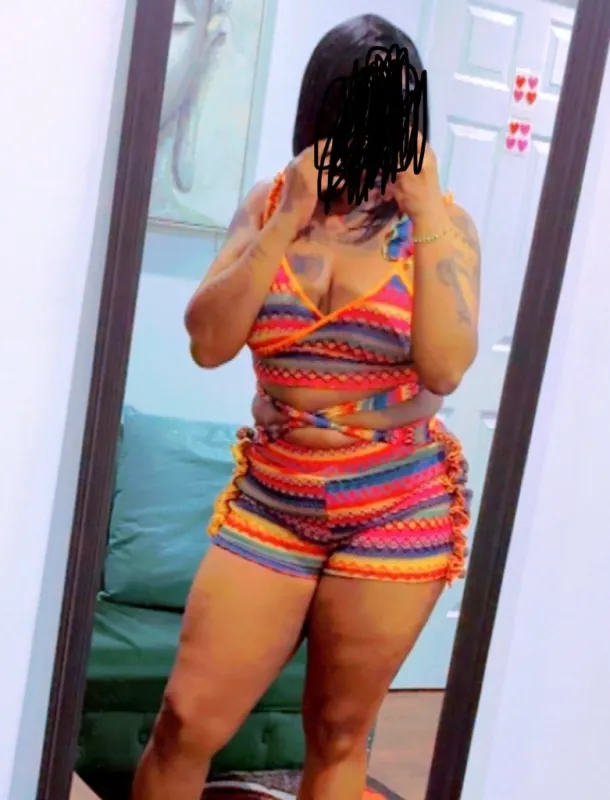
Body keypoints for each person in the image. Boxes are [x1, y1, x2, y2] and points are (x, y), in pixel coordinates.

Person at [132, 13, 480, 800]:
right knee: (185, 720)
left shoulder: (444, 227)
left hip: (396, 506)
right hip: (275, 500)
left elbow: (446, 366)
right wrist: (289, 213)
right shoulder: (269, 207)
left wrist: (427, 212)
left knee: (337, 735)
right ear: (322, 112)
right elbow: (208, 342)